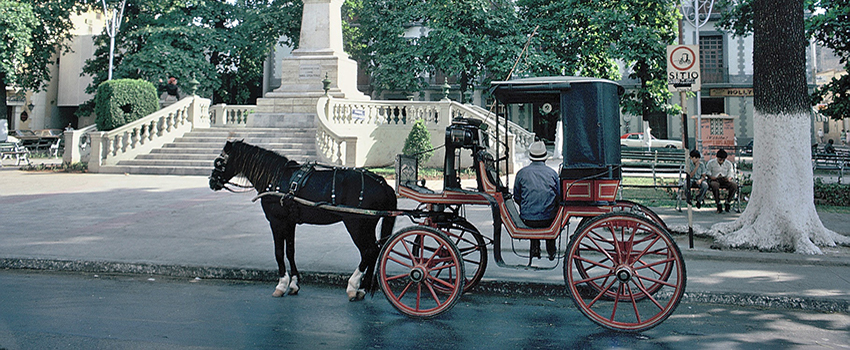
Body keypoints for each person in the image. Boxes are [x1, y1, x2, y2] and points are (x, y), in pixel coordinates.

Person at [514, 141, 560, 260]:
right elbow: (559, 196)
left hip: (528, 218)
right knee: (549, 214)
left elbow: (517, 196)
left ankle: (535, 247)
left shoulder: (521, 173)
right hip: (548, 218)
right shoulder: (552, 173)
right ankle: (551, 249)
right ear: (545, 157)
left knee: (534, 219)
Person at [706, 149, 738, 213]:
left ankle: (728, 201)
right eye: (720, 159)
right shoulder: (711, 163)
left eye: (723, 160)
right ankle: (718, 202)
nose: (721, 161)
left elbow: (730, 173)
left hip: (724, 179)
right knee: (715, 185)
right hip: (715, 179)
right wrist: (712, 177)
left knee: (734, 185)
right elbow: (708, 172)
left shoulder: (728, 164)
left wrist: (728, 179)